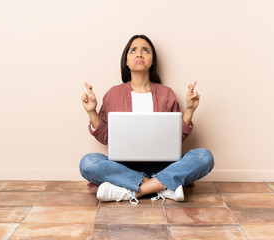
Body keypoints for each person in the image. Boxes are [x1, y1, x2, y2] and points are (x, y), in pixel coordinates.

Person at [80, 34, 214, 204]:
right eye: (133, 50)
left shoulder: (166, 93)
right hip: (123, 167)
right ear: (126, 62)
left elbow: (176, 138)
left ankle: (131, 191)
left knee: (204, 157)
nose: (139, 54)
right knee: (88, 163)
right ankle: (163, 187)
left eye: (146, 50)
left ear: (152, 62)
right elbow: (105, 138)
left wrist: (189, 110)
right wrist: (91, 112)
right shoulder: (113, 94)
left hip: (163, 166)